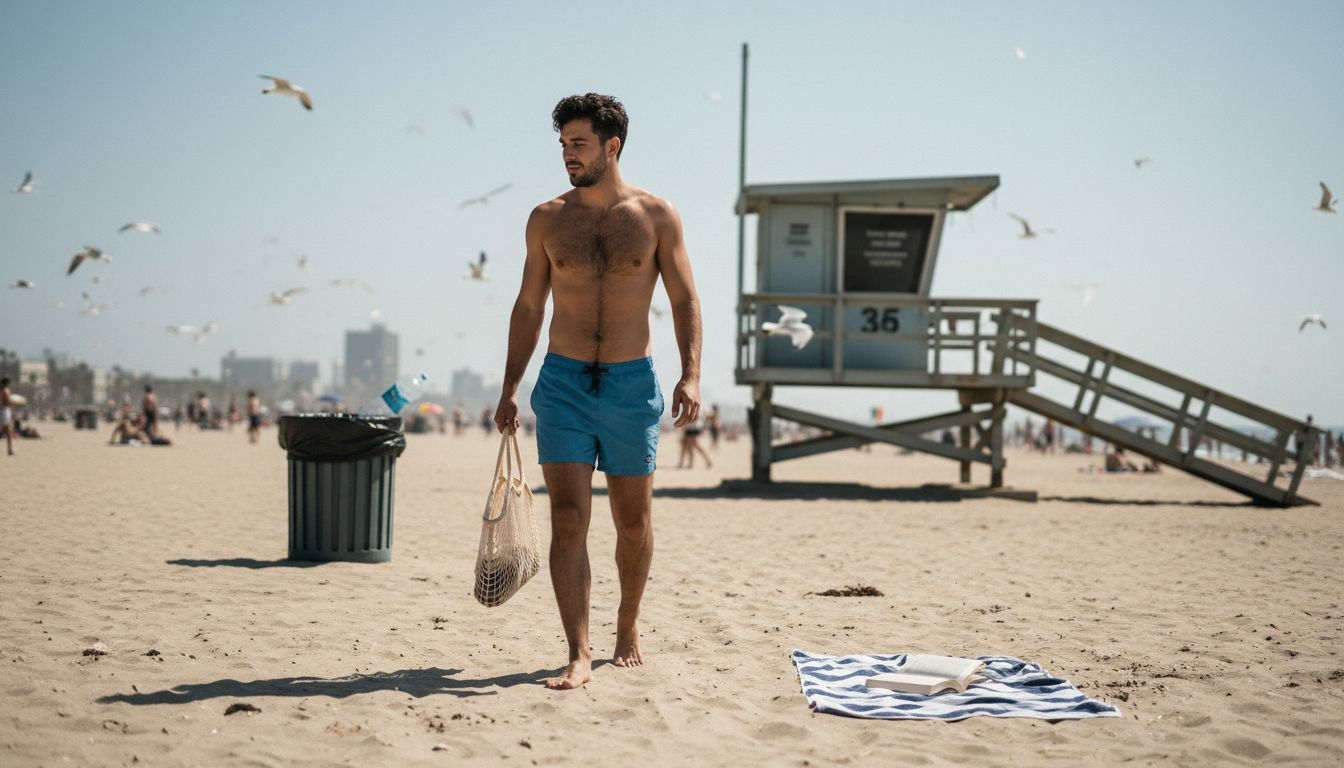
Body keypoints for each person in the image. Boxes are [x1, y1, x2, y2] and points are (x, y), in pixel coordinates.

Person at [493, 93, 702, 690]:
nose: (567, 155)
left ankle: (627, 626)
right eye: (563, 145)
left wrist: (690, 373)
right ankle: (579, 652)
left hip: (631, 383)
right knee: (567, 519)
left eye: (578, 144)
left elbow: (685, 299)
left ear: (612, 146)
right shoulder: (547, 219)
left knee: (632, 524)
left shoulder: (656, 216)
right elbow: (529, 305)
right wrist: (511, 386)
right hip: (562, 382)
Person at [1, 377, 14, 456]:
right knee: (8, 431)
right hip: (4, 410)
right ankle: (9, 450)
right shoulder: (6, 390)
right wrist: (18, 403)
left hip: (2, 409)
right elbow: (7, 402)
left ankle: (10, 450)